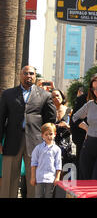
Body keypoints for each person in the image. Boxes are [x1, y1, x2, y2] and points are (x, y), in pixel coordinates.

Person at [0, 66, 56, 198]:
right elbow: (1, 118)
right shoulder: (8, 94)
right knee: (9, 177)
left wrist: (47, 141)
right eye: (25, 73)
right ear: (20, 75)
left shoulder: (45, 95)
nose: (28, 76)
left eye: (31, 73)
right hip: (12, 141)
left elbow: (50, 120)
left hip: (36, 142)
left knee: (34, 178)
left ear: (35, 76)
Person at [30, 123, 62, 198]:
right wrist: (33, 177)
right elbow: (33, 163)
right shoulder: (38, 148)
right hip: (39, 177)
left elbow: (58, 164)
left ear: (55, 134)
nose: (48, 136)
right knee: (38, 195)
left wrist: (57, 177)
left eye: (51, 134)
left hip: (51, 178)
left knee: (49, 195)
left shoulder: (57, 149)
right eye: (46, 134)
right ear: (42, 135)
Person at [51, 89, 74, 166]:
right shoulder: (50, 112)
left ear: (62, 96)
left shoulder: (69, 111)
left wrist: (67, 126)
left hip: (66, 147)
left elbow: (75, 130)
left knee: (65, 170)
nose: (56, 98)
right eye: (53, 97)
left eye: (57, 95)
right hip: (52, 146)